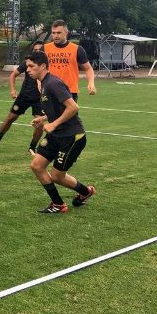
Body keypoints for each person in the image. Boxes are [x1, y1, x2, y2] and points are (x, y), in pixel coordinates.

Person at [25, 50, 96, 214]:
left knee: (57, 176)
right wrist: (43, 119)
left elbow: (73, 107)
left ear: (42, 66)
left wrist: (53, 124)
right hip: (56, 135)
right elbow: (57, 108)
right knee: (36, 165)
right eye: (27, 66)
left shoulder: (52, 84)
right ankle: (58, 204)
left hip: (72, 137)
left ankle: (86, 191)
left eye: (31, 66)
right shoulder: (42, 83)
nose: (28, 69)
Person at [0, 42, 46, 154]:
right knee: (10, 118)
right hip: (24, 96)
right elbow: (13, 75)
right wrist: (13, 90)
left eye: (40, 50)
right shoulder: (27, 63)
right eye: (35, 50)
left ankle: (32, 147)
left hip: (39, 99)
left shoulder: (45, 65)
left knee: (40, 124)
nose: (37, 52)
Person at [44, 19, 97, 100]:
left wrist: (91, 83)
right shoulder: (45, 48)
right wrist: (39, 83)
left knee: (70, 112)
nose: (55, 36)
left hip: (69, 92)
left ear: (66, 32)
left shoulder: (77, 49)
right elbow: (37, 68)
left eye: (59, 33)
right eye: (53, 33)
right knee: (46, 113)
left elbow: (88, 68)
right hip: (49, 91)